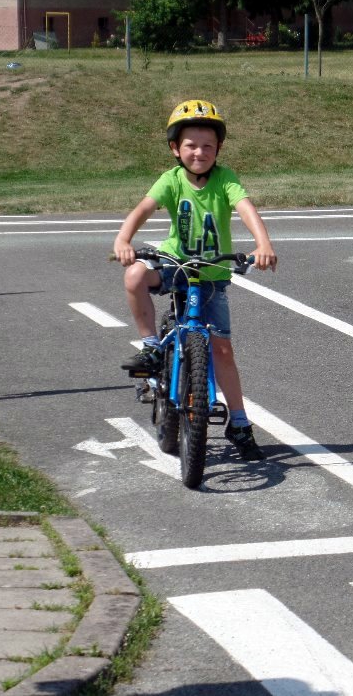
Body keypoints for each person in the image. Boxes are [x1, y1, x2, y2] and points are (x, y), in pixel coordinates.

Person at [113, 100, 277, 461]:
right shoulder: (171, 180)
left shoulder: (225, 179)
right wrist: (124, 240)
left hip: (212, 275)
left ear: (218, 149)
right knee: (135, 273)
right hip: (175, 264)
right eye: (191, 145)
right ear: (176, 148)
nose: (199, 152)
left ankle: (239, 423)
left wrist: (263, 244)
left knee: (222, 350)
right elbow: (142, 210)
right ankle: (152, 345)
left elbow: (246, 208)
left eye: (207, 146)